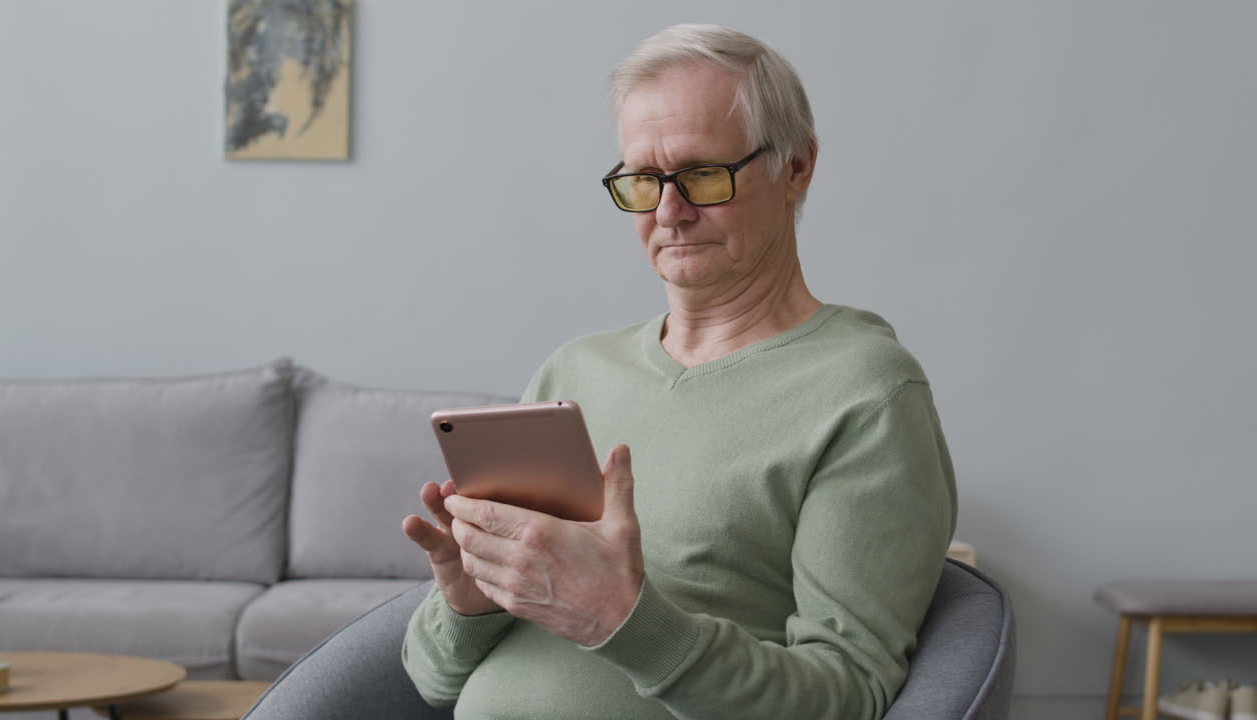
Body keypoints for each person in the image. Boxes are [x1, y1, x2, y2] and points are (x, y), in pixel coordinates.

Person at [401, 23, 956, 720]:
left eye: (700, 175)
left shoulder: (866, 392)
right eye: (643, 180)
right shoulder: (574, 370)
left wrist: (624, 620)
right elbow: (430, 678)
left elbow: (848, 698)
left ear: (797, 168)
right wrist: (470, 604)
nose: (669, 211)